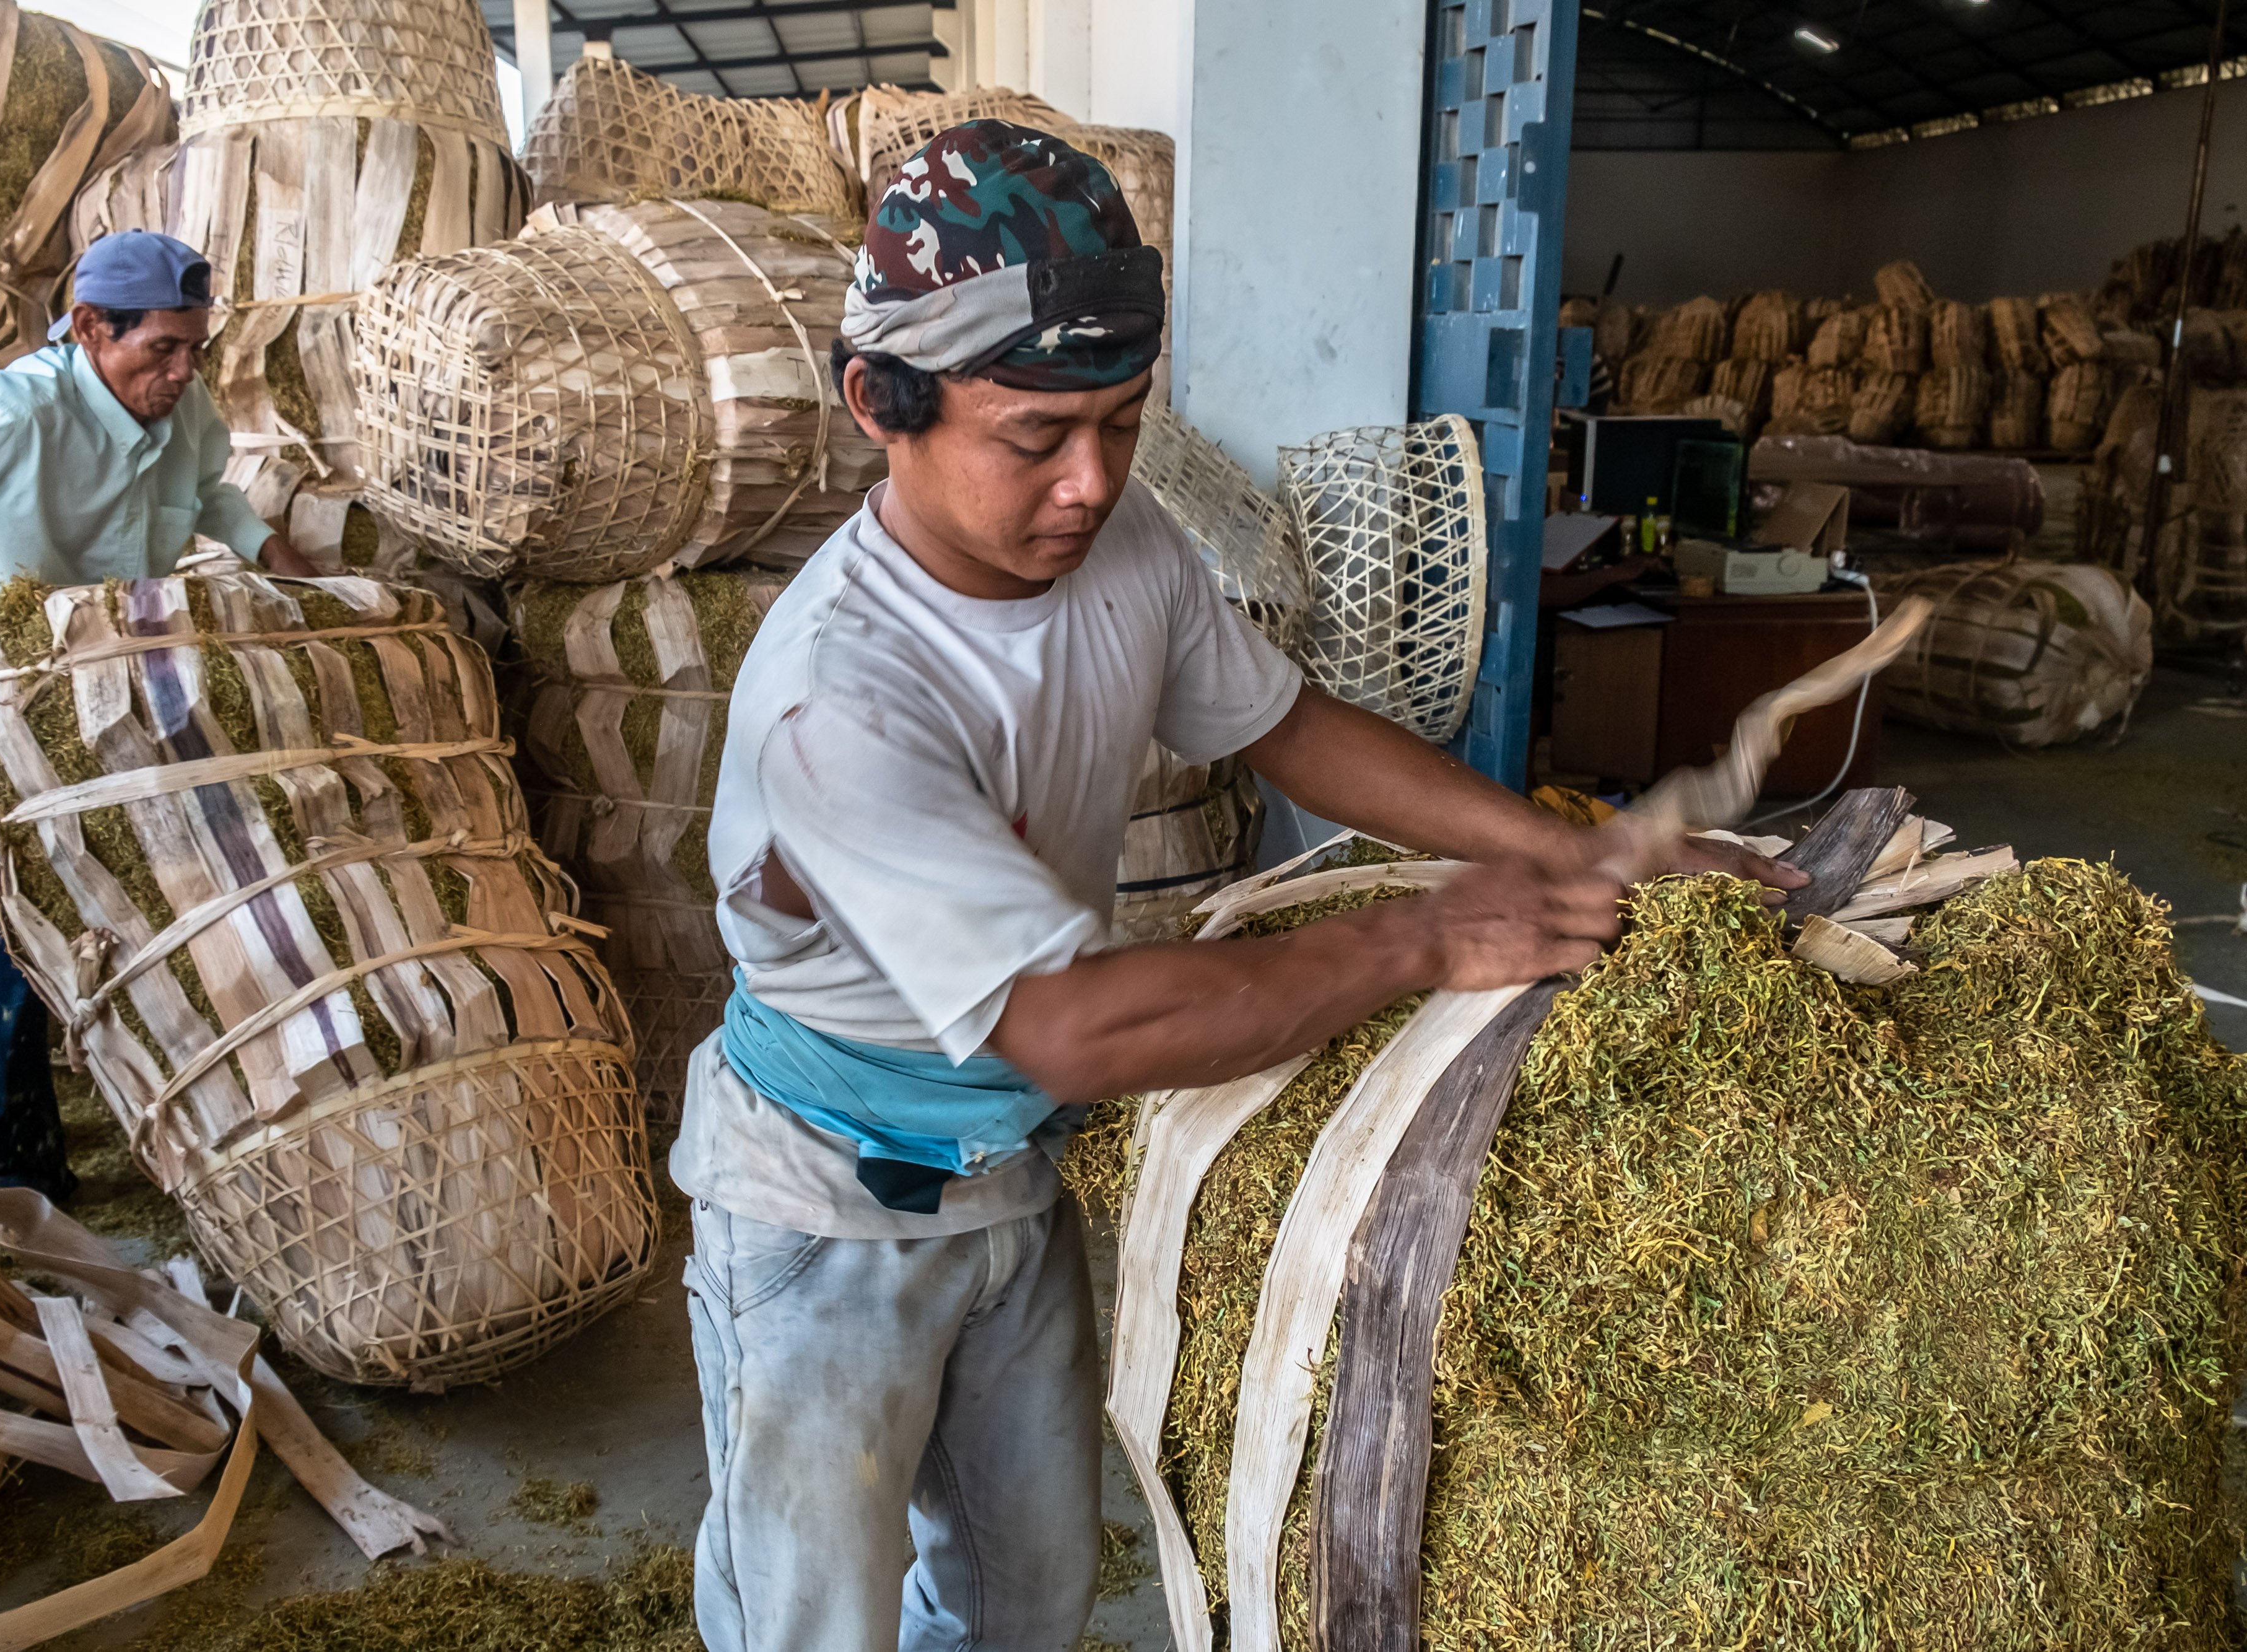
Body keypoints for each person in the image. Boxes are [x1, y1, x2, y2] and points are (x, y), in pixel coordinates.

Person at [674, 121, 1805, 1651]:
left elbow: (1283, 724)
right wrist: (1418, 935)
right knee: (813, 1618)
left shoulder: (1120, 542)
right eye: (1035, 437)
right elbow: (1076, 1027)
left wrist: (1567, 846)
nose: (1090, 482)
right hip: (827, 1201)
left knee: (1026, 1589)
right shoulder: (844, 698)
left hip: (1005, 1169)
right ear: (883, 401)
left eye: (1122, 421)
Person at [0, 230, 316, 1202]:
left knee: (132, 915)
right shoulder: (13, 414)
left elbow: (207, 491)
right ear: (88, 329)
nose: (182, 371)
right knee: (5, 945)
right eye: (161, 348)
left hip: (103, 703)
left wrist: (275, 552)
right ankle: (28, 1179)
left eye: (196, 348)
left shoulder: (184, 408)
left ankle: (170, 1123)